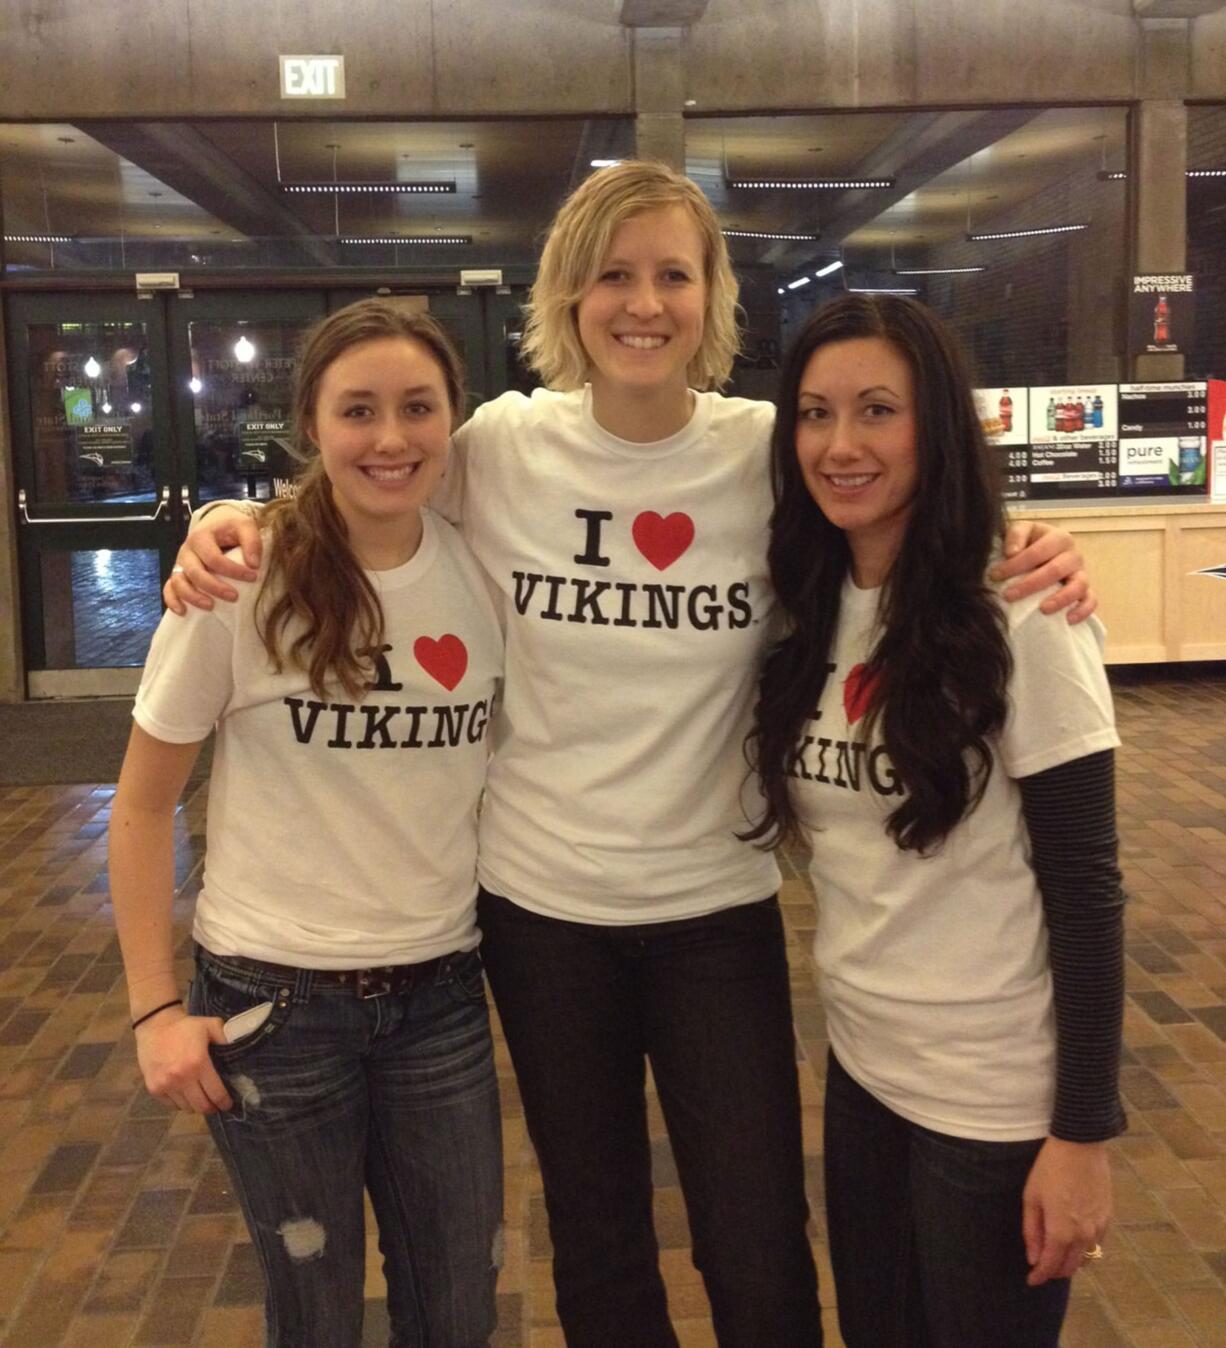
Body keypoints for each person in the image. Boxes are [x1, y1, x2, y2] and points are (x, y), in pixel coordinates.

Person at [162, 162, 1094, 1348]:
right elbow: (360, 487)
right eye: (612, 274)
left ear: (710, 296)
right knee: (596, 1240)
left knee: (756, 1239)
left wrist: (1030, 545)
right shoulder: (501, 445)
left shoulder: (767, 452)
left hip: (714, 907)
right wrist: (225, 522)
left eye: (671, 274)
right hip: (543, 917)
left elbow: (903, 504)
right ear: (568, 293)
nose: (640, 302)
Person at [110, 300, 504, 1348]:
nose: (390, 437)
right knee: (314, 1313)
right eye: (358, 410)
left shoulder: (482, 574)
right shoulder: (241, 581)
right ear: (312, 428)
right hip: (272, 1012)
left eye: (417, 408)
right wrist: (153, 1010)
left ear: (452, 423)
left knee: (458, 1307)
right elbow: (144, 804)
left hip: (441, 1002)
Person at [745, 294, 1125, 1348]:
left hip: (994, 1102)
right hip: (865, 1073)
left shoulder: (1018, 605)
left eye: (877, 410)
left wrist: (1082, 1131)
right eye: (814, 415)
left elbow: (1086, 887)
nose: (840, 444)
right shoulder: (814, 605)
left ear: (938, 427)